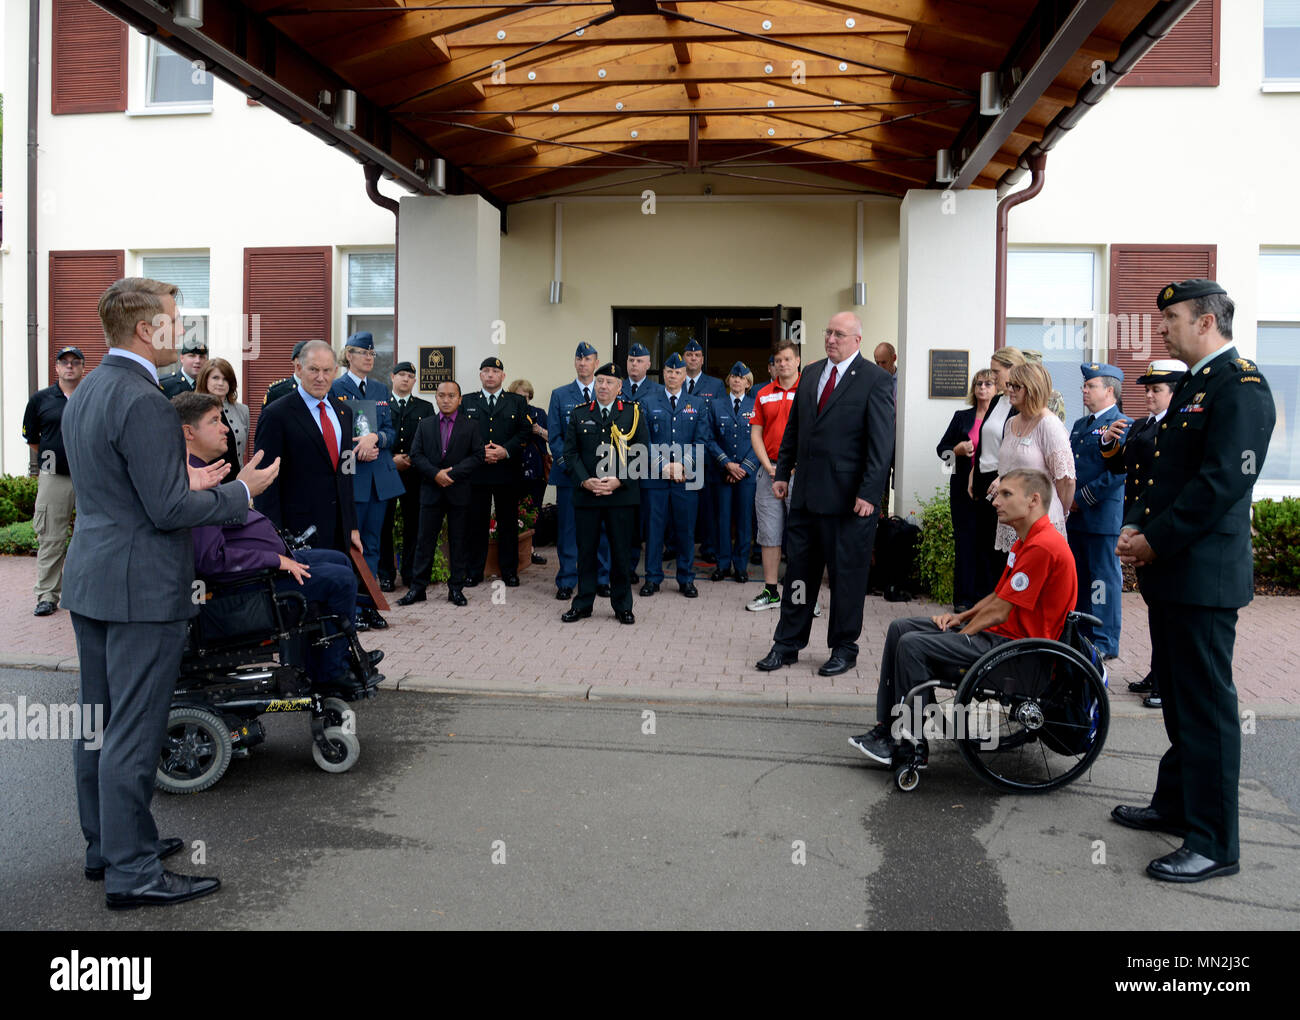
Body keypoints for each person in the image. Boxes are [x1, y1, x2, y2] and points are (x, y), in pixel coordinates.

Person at [61, 276, 278, 908]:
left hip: (94, 577)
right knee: (133, 727)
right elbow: (167, 507)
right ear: (143, 329)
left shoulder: (89, 390)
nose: (180, 333)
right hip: (141, 587)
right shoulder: (147, 398)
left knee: (97, 722)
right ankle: (132, 874)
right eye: (173, 321)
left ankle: (108, 846)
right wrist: (242, 493)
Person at [1113, 279, 1274, 884]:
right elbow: (1155, 473)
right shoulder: (1194, 386)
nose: (1163, 327)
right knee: (1181, 702)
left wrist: (1155, 540)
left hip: (1203, 577)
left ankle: (1214, 842)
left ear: (1206, 322)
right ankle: (1176, 805)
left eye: (1173, 317)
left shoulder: (1242, 387)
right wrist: (1134, 525)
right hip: (1174, 573)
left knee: (1207, 709)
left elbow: (1220, 484)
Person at [847, 469, 1077, 765]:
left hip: (1019, 655)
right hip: (1003, 640)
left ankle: (911, 745)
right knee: (899, 627)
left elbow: (1001, 610)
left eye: (1007, 494)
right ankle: (886, 729)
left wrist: (961, 635)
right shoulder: (1026, 541)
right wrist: (960, 618)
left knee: (914, 645)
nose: (996, 501)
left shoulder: (1043, 546)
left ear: (1033, 500)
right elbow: (998, 597)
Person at [177, 392, 373, 696]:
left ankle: (337, 658)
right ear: (189, 432)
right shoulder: (193, 479)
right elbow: (211, 560)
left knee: (339, 561)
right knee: (339, 579)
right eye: (214, 421)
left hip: (256, 570)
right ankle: (331, 674)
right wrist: (275, 560)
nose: (225, 427)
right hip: (241, 589)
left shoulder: (201, 469)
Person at [755, 311, 894, 676]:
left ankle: (844, 648)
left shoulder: (875, 380)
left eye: (839, 334)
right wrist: (782, 473)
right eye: (828, 332)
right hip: (806, 500)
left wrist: (870, 494)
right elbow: (795, 430)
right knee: (799, 576)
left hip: (851, 504)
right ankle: (787, 645)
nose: (831, 339)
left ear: (856, 341)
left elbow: (881, 446)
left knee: (846, 579)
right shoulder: (812, 374)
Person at [1100, 359, 1186, 709]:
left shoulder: (1179, 428)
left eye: (1156, 390)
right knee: (1155, 605)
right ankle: (1157, 671)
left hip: (1163, 529)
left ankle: (1169, 682)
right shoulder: (1140, 426)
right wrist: (1108, 442)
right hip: (1140, 524)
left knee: (1169, 609)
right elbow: (1119, 466)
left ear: (1176, 392)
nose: (1148, 395)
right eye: (1147, 389)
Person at [253, 339, 363, 563]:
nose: (320, 377)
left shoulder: (344, 413)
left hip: (339, 529)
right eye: (313, 369)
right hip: (298, 532)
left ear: (335, 372)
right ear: (298, 369)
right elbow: (265, 481)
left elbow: (346, 473)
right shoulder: (277, 414)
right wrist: (272, 535)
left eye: (326, 371)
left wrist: (351, 526)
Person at [561, 363, 649, 624]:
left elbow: (641, 451)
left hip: (620, 496)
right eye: (599, 381)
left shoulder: (632, 414)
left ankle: (622, 606)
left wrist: (619, 481)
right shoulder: (579, 414)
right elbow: (570, 453)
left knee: (620, 553)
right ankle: (583, 603)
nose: (603, 386)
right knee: (585, 552)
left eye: (609, 382)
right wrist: (585, 481)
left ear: (619, 387)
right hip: (587, 494)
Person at [330, 332, 404, 619]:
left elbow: (390, 431)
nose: (370, 358)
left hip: (379, 479)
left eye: (373, 354)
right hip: (353, 476)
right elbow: (333, 431)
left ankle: (369, 603)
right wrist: (358, 446)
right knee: (352, 544)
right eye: (364, 353)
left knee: (373, 543)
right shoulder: (337, 388)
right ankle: (350, 608)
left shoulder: (381, 389)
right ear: (349, 355)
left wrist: (375, 438)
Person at [398, 380, 485, 607]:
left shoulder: (471, 425)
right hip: (430, 491)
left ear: (459, 399)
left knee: (458, 541)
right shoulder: (425, 424)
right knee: (424, 541)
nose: (446, 400)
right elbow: (416, 455)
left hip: (459, 492)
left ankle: (456, 589)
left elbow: (477, 456)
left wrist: (452, 474)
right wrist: (436, 474)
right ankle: (417, 588)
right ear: (435, 398)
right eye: (441, 395)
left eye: (451, 396)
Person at [1066, 363, 1130, 659]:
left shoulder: (1121, 424)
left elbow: (1118, 473)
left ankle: (1104, 641)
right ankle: (1082, 637)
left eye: (1090, 385)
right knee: (1079, 578)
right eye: (1084, 385)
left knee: (1102, 580)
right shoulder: (1081, 426)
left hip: (1101, 516)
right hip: (1075, 517)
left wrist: (1082, 497)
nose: (1084, 390)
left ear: (1109, 390)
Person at [747, 341, 814, 614]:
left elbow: (815, 433)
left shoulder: (810, 392)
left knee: (801, 535)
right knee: (769, 534)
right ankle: (771, 591)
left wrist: (795, 465)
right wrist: (770, 466)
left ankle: (803, 595)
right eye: (778, 360)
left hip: (801, 473)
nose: (783, 364)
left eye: (788, 359)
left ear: (798, 361)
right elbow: (755, 434)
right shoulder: (762, 393)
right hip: (769, 472)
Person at [23, 345, 85, 617]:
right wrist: (55, 458)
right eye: (65, 362)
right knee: (50, 537)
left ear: (83, 367)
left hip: (89, 477)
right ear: (57, 368)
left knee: (91, 537)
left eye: (75, 362)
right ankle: (47, 595)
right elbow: (32, 439)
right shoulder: (40, 400)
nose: (69, 366)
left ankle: (85, 595)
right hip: (53, 477)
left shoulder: (90, 396)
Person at [639, 352, 707, 598]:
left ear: (684, 374)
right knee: (654, 531)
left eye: (678, 372)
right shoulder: (648, 401)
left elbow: (701, 440)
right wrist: (663, 466)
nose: (673, 376)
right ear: (663, 373)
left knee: (685, 530)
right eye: (669, 371)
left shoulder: (697, 404)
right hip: (655, 478)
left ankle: (686, 578)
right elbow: (643, 440)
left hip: (686, 478)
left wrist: (682, 466)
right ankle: (652, 578)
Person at [990, 361, 1074, 552]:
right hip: (1013, 517)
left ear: (1033, 389)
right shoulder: (1011, 423)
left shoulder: (1049, 425)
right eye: (1010, 384)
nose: (1009, 389)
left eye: (1016, 386)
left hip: (1040, 519)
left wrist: (1062, 512)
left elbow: (1066, 480)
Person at [548, 342, 611, 599]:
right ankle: (566, 580)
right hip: (570, 477)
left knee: (602, 530)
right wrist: (577, 471)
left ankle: (602, 578)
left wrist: (601, 472)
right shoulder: (560, 395)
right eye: (579, 359)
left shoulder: (607, 393)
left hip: (601, 477)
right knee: (568, 531)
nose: (583, 363)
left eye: (588, 359)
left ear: (596, 363)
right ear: (575, 363)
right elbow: (555, 437)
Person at [462, 356, 530, 587]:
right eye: (486, 371)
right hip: (478, 471)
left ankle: (509, 571)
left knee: (508, 523)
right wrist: (481, 452)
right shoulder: (467, 401)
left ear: (503, 376)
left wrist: (505, 451)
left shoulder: (516, 402)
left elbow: (524, 431)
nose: (490, 375)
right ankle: (474, 571)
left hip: (506, 471)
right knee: (476, 524)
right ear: (480, 375)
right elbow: (461, 433)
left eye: (495, 371)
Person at [935, 368, 996, 613]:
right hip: (962, 489)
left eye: (988, 384)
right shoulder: (962, 417)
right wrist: (957, 450)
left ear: (996, 388)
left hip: (991, 490)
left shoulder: (1002, 418)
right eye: (979, 384)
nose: (982, 388)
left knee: (988, 542)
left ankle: (985, 599)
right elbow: (942, 452)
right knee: (965, 541)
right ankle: (963, 600)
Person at [969, 347, 1026, 597]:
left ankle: (997, 608)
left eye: (996, 371)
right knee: (981, 545)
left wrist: (1004, 477)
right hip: (983, 477)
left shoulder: (1020, 404)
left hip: (1003, 481)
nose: (992, 377)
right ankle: (981, 606)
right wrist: (973, 472)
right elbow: (984, 438)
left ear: (1012, 369)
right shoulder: (997, 400)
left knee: (998, 550)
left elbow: (1020, 447)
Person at [380, 361, 435, 591]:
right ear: (392, 377)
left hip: (414, 474)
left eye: (410, 376)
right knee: (385, 525)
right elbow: (373, 436)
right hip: (386, 472)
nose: (405, 379)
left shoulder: (424, 407)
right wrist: (390, 459)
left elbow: (429, 440)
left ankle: (411, 573)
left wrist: (413, 458)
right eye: (401, 374)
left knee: (414, 525)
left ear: (415, 381)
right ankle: (386, 575)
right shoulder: (381, 405)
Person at [706, 362, 758, 583]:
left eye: (742, 378)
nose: (737, 380)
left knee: (744, 521)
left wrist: (743, 469)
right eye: (734, 377)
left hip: (746, 476)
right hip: (722, 472)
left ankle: (740, 566)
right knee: (723, 520)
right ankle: (723, 564)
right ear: (728, 381)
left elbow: (760, 440)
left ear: (748, 383)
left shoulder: (756, 405)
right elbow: (709, 438)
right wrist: (727, 464)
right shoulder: (716, 405)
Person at [683, 338, 725, 563]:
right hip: (679, 454)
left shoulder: (715, 385)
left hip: (706, 454)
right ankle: (674, 545)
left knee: (707, 504)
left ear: (702, 359)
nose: (693, 358)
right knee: (678, 503)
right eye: (689, 355)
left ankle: (708, 546)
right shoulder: (674, 380)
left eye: (697, 355)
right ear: (684, 358)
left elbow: (719, 420)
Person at [623, 341, 661, 582]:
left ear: (648, 364)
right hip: (620, 462)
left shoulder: (657, 391)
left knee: (644, 519)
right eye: (630, 360)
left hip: (648, 466)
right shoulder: (617, 386)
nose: (634, 364)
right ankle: (624, 566)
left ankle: (642, 566)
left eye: (639, 361)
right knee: (624, 518)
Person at [196, 357, 249, 473]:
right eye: (215, 378)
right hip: (205, 480)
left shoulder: (243, 410)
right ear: (205, 380)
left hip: (235, 479)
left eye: (225, 379)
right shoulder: (194, 409)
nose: (221, 383)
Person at [509, 378, 550, 521]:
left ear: (530, 397)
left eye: (525, 397)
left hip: (536, 470)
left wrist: (538, 430)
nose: (522, 400)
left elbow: (554, 437)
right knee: (511, 511)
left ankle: (532, 543)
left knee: (534, 510)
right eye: (518, 397)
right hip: (512, 469)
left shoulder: (539, 413)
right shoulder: (508, 415)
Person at [262, 340, 309, 407]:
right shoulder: (277, 391)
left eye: (307, 358)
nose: (303, 361)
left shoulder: (322, 390)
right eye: (300, 357)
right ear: (293, 361)